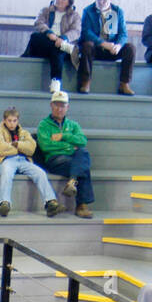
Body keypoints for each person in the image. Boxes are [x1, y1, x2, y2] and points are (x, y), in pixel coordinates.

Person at [0, 107, 62, 218]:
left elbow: (31, 148)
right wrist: (20, 148)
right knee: (6, 173)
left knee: (40, 173)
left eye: (14, 121)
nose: (12, 124)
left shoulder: (24, 133)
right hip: (6, 160)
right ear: (4, 120)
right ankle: (4, 203)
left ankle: (50, 202)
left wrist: (17, 145)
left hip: (23, 160)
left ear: (18, 121)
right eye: (9, 120)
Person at [35, 91, 95, 219]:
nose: (59, 109)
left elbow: (83, 141)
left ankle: (72, 181)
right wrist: (69, 146)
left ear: (67, 107)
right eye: (57, 105)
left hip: (72, 159)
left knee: (83, 153)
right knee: (83, 165)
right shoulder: (44, 125)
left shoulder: (73, 125)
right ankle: (81, 205)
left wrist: (63, 136)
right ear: (51, 105)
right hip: (55, 160)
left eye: (62, 106)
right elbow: (46, 146)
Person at [78, 0, 135, 96]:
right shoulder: (88, 11)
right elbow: (86, 32)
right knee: (87, 45)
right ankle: (86, 81)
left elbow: (123, 33)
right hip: (96, 48)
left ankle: (124, 84)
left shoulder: (118, 11)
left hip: (113, 49)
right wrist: (103, 44)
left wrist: (118, 45)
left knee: (130, 48)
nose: (101, 2)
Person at [22, 0, 80, 93]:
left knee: (57, 50)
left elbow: (76, 31)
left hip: (62, 45)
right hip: (48, 43)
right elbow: (38, 22)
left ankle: (56, 81)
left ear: (69, 2)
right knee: (35, 37)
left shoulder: (74, 15)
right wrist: (49, 33)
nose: (60, 0)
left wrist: (63, 38)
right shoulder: (46, 10)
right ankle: (57, 80)